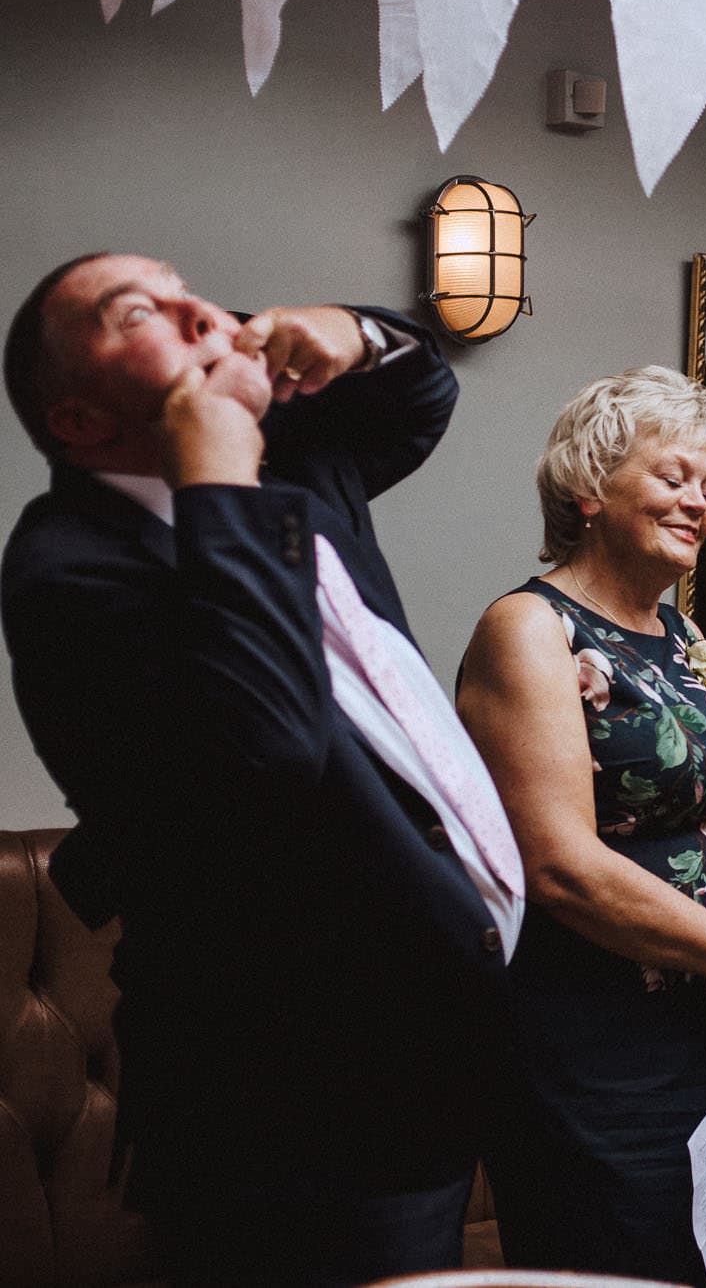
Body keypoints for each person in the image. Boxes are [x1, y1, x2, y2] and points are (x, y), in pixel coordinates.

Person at [1, 253, 524, 1285]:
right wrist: (219, 481)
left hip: (425, 1060)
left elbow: (420, 394)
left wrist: (355, 330)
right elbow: (268, 753)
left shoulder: (296, 463)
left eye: (184, 283)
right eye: (140, 311)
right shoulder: (66, 569)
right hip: (290, 1111)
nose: (205, 308)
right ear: (79, 422)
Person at [456, 365, 706, 1281]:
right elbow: (562, 865)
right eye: (673, 477)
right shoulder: (529, 630)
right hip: (586, 1047)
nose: (698, 500)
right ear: (588, 487)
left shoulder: (691, 645)